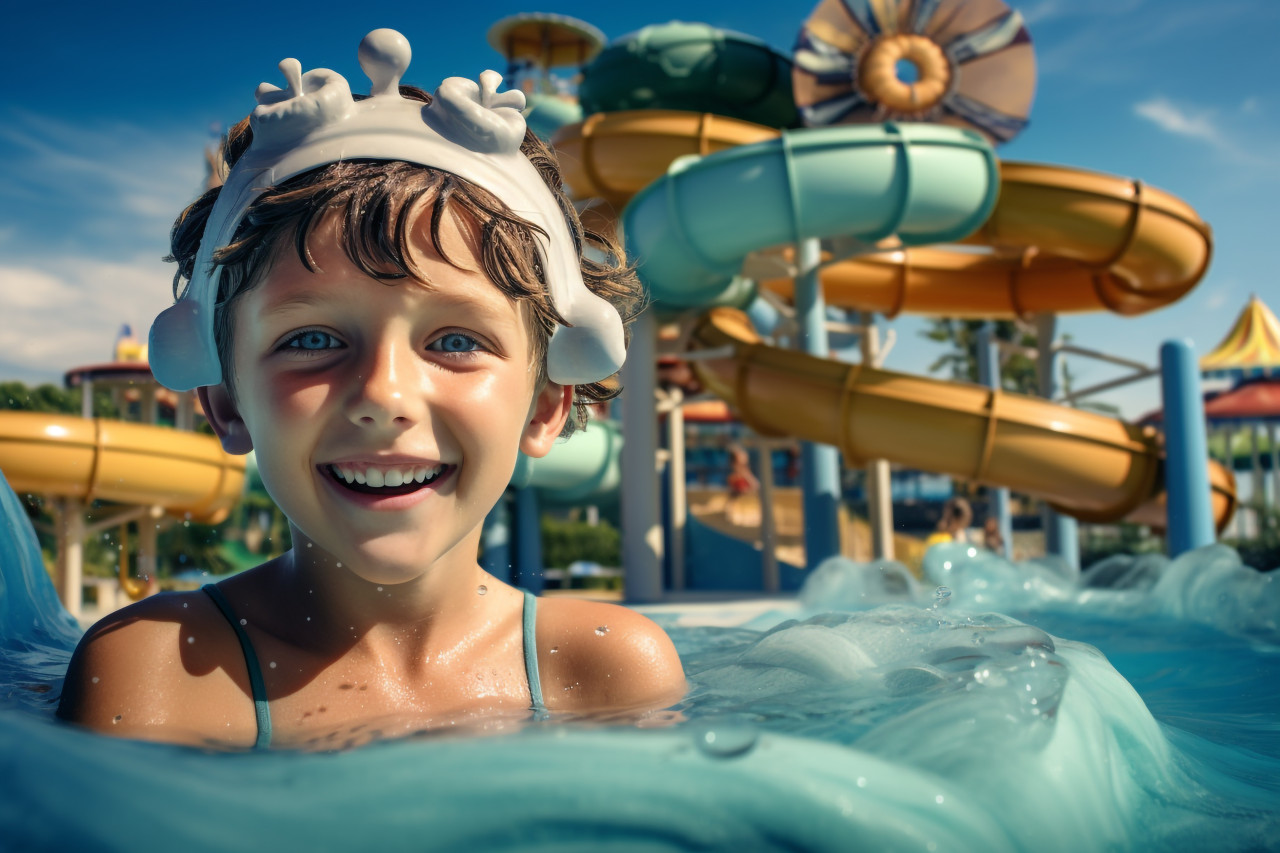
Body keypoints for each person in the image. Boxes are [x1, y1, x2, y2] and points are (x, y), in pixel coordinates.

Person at [57, 29, 684, 750]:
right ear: (226, 403)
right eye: (312, 340)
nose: (384, 395)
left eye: (456, 341)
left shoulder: (606, 670)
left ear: (545, 405)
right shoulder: (157, 675)